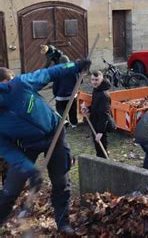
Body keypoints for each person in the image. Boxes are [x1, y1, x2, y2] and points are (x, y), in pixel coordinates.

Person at [0, 60, 91, 235]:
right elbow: (8, 151)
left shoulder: (19, 85)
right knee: (11, 190)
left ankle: (63, 223)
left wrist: (75, 66)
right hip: (25, 146)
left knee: (61, 182)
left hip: (55, 134)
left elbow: (50, 73)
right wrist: (30, 170)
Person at [81, 70, 114, 158]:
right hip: (95, 122)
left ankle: (104, 162)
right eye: (92, 80)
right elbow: (95, 106)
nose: (94, 82)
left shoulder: (103, 95)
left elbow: (104, 114)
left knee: (101, 146)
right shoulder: (96, 90)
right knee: (98, 146)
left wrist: (100, 132)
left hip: (100, 124)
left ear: (101, 79)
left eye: (96, 80)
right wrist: (87, 109)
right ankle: (101, 158)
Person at [53, 57, 79, 128]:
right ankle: (74, 124)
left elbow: (55, 85)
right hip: (72, 95)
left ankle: (65, 121)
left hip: (61, 96)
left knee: (60, 109)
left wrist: (55, 94)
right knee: (72, 110)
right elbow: (79, 81)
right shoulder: (73, 70)